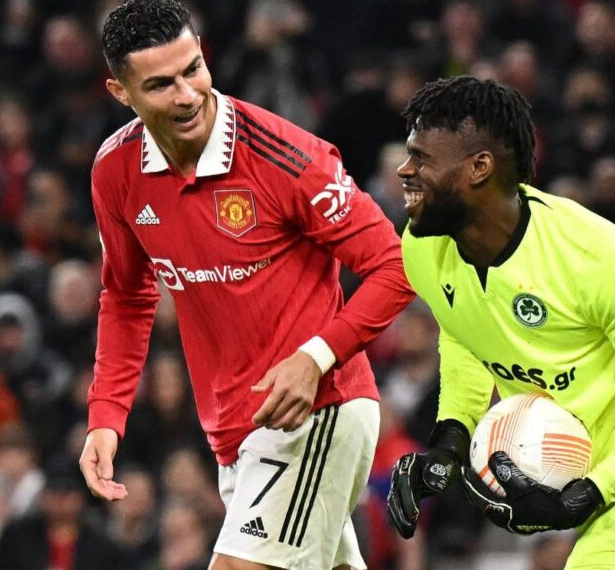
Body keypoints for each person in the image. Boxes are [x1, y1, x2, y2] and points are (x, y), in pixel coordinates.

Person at [78, 2, 415, 570]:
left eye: (192, 69)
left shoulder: (286, 157)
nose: (186, 95)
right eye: (160, 85)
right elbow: (128, 297)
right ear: (120, 92)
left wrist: (315, 359)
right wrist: (107, 415)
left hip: (316, 411)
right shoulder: (116, 170)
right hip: (235, 434)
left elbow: (395, 265)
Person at [385, 76, 615, 569]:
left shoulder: (591, 255)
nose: (404, 171)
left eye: (421, 158)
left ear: (479, 168)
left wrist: (588, 494)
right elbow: (464, 333)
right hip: (605, 480)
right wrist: (450, 441)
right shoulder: (422, 248)